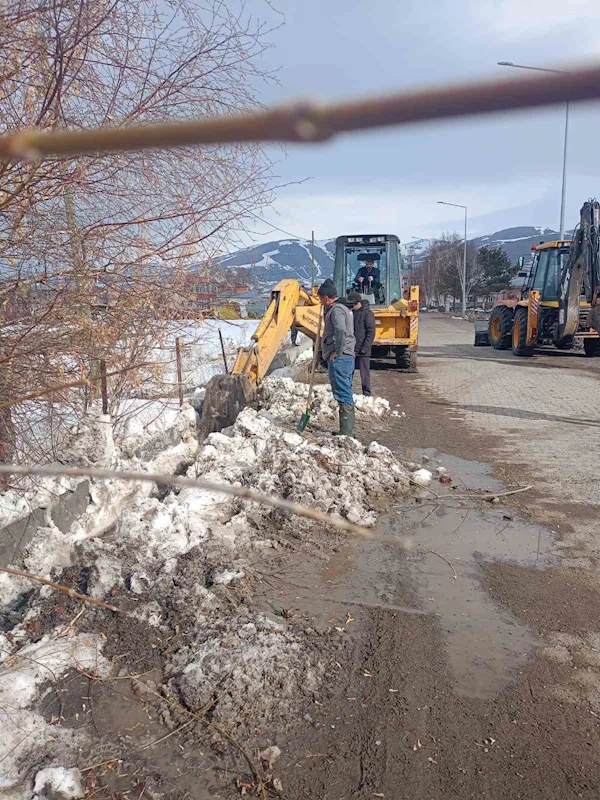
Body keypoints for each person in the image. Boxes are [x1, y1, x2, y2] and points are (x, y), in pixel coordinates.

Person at [317, 281, 356, 436]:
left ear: (326, 298)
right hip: (346, 357)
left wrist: (337, 351)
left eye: (320, 299)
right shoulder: (344, 308)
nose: (320, 302)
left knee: (343, 393)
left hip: (341, 358)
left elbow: (340, 330)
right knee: (344, 391)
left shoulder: (336, 310)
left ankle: (346, 433)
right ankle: (346, 431)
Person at [347, 291, 375, 397]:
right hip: (351, 349)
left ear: (356, 302)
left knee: (365, 374)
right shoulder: (350, 313)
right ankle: (348, 393)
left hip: (363, 350)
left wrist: (365, 348)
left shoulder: (367, 314)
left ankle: (366, 394)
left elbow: (371, 332)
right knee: (349, 373)